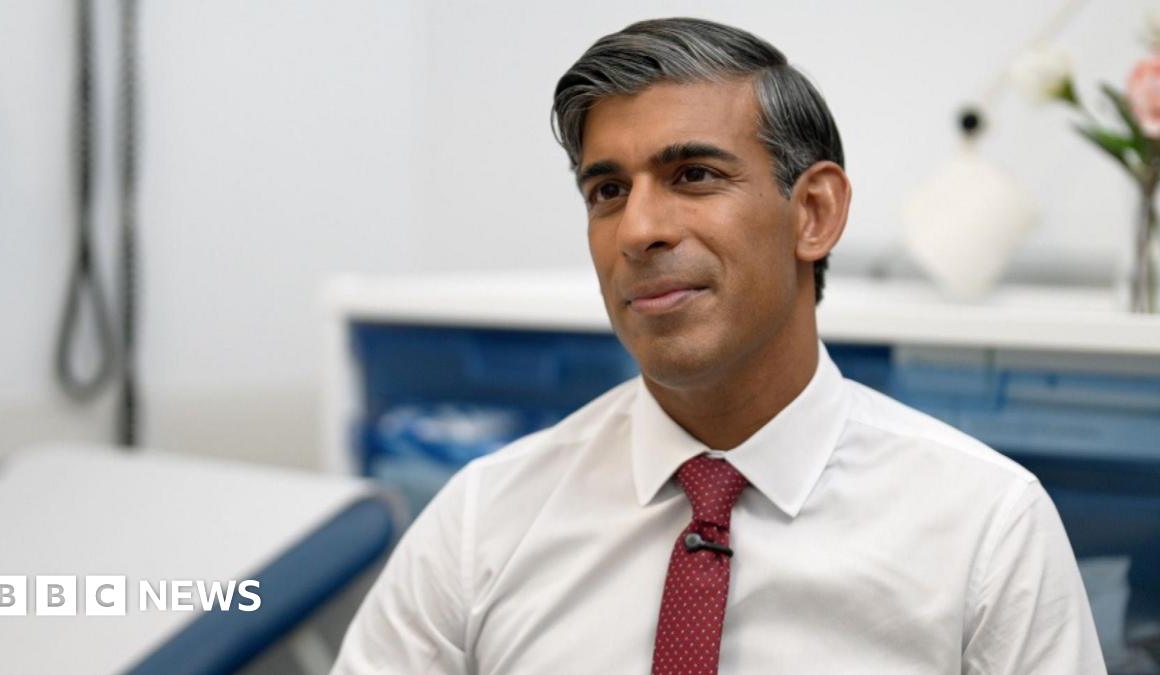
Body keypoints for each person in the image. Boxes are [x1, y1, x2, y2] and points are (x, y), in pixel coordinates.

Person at [332, 17, 1105, 674]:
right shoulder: (482, 520)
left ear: (814, 212)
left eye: (694, 174)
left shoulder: (985, 531)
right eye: (608, 192)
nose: (639, 230)